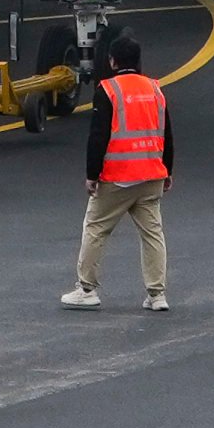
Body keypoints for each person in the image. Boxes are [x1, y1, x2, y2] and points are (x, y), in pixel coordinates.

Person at [60, 29, 173, 312]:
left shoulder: (108, 90)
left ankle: (87, 289)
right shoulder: (155, 89)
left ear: (111, 61)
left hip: (118, 177)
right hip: (151, 175)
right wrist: (167, 170)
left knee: (96, 228)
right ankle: (157, 295)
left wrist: (91, 174)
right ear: (138, 61)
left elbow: (98, 137)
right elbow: (166, 134)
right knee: (152, 234)